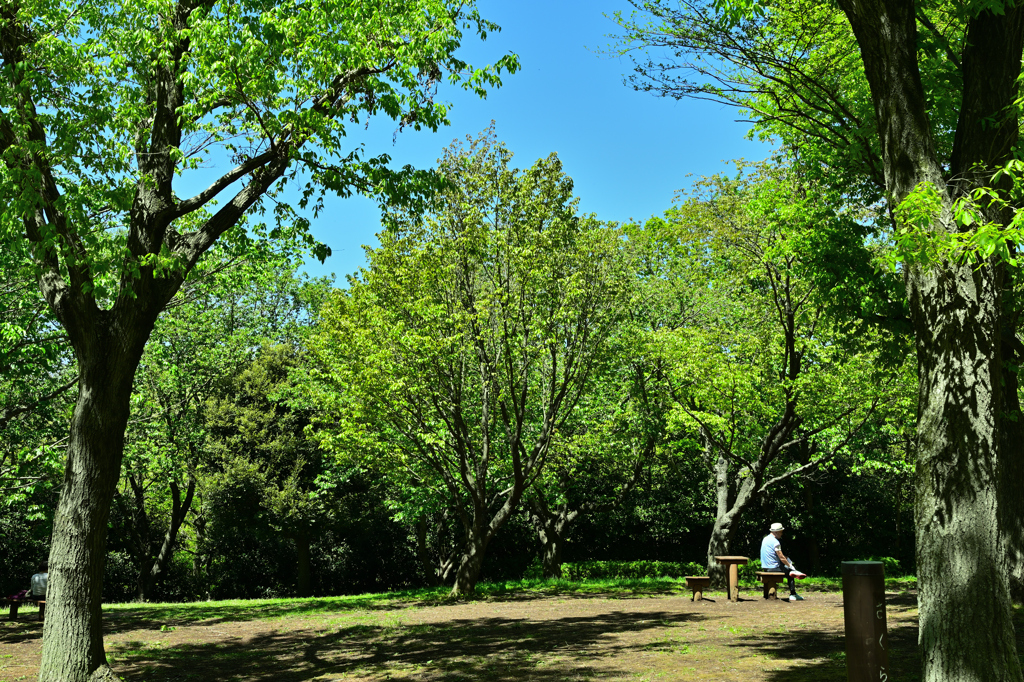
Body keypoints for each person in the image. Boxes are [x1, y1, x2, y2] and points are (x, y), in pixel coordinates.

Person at [760, 522, 803, 601]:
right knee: (791, 573)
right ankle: (793, 594)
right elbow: (781, 557)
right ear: (776, 532)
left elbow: (773, 554)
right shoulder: (776, 542)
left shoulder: (765, 539)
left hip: (765, 566)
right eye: (781, 532)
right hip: (773, 567)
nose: (782, 534)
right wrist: (790, 566)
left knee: (787, 569)